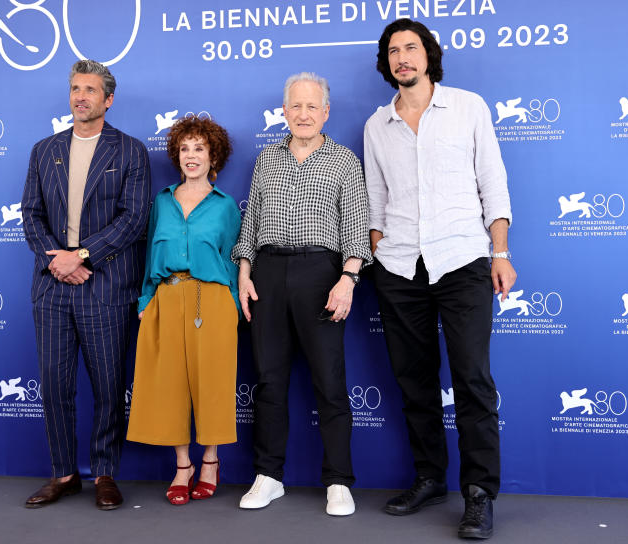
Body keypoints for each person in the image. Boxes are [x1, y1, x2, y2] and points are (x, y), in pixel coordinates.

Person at [363, 19, 516, 540]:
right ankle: (429, 476)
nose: (402, 57)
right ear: (386, 64)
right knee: (415, 382)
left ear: (429, 54)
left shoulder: (468, 107)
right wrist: (382, 251)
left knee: (472, 379)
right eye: (393, 51)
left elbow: (492, 182)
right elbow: (376, 202)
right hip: (401, 267)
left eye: (411, 48)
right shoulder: (375, 125)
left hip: (462, 260)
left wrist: (500, 251)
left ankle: (479, 494)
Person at [232, 72, 372, 517]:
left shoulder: (345, 161)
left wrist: (347, 279)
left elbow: (356, 232)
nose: (304, 114)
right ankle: (269, 476)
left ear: (326, 112)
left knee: (329, 382)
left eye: (313, 106)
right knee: (269, 381)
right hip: (268, 273)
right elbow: (250, 224)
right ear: (285, 111)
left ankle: (338, 481)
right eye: (296, 106)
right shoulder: (266, 160)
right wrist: (245, 273)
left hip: (322, 275)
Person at [21, 59, 150, 510]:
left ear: (108, 99)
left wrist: (83, 255)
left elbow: (134, 219)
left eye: (90, 90)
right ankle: (63, 473)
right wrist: (59, 261)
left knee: (108, 387)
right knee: (55, 385)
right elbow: (31, 216)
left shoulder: (130, 151)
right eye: (76, 88)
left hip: (105, 285)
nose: (81, 96)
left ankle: (105, 473)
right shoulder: (44, 150)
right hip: (53, 286)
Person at [127, 115, 241, 505]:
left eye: (200, 149)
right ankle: (182, 466)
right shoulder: (161, 201)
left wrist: (233, 301)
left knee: (212, 382)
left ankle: (210, 461)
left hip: (213, 300)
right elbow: (147, 257)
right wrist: (146, 301)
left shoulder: (226, 207)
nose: (191, 156)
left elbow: (236, 257)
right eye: (185, 149)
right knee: (169, 384)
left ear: (214, 156)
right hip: (166, 297)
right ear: (177, 155)